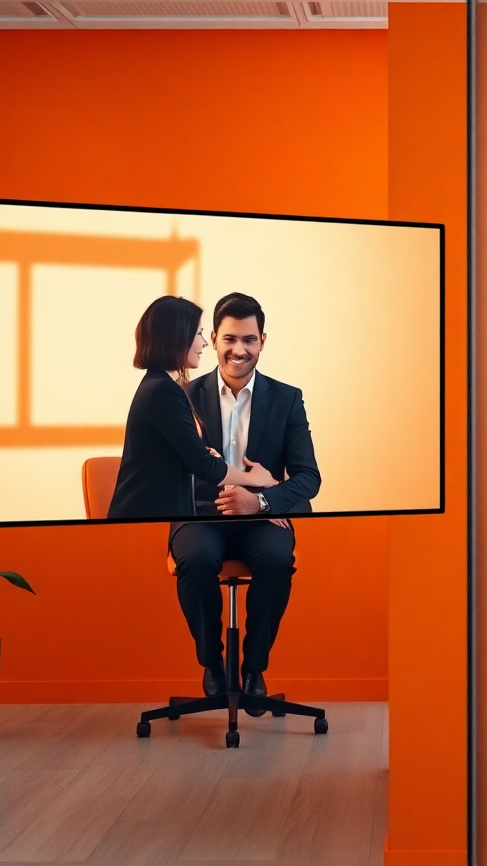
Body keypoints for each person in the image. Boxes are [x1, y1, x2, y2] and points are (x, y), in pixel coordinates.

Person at [170, 292, 321, 706]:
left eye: (249, 339)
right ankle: (213, 664)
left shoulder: (287, 398)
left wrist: (263, 501)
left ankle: (254, 666)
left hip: (262, 519)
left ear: (263, 341)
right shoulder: (182, 396)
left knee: (276, 560)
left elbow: (309, 477)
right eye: (230, 339)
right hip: (200, 516)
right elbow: (167, 470)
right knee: (195, 561)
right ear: (213, 339)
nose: (239, 349)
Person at [108, 296, 277, 521]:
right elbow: (205, 467)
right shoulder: (162, 391)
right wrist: (255, 478)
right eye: (199, 334)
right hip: (144, 522)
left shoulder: (162, 386)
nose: (204, 343)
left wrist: (201, 452)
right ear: (178, 337)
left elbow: (181, 451)